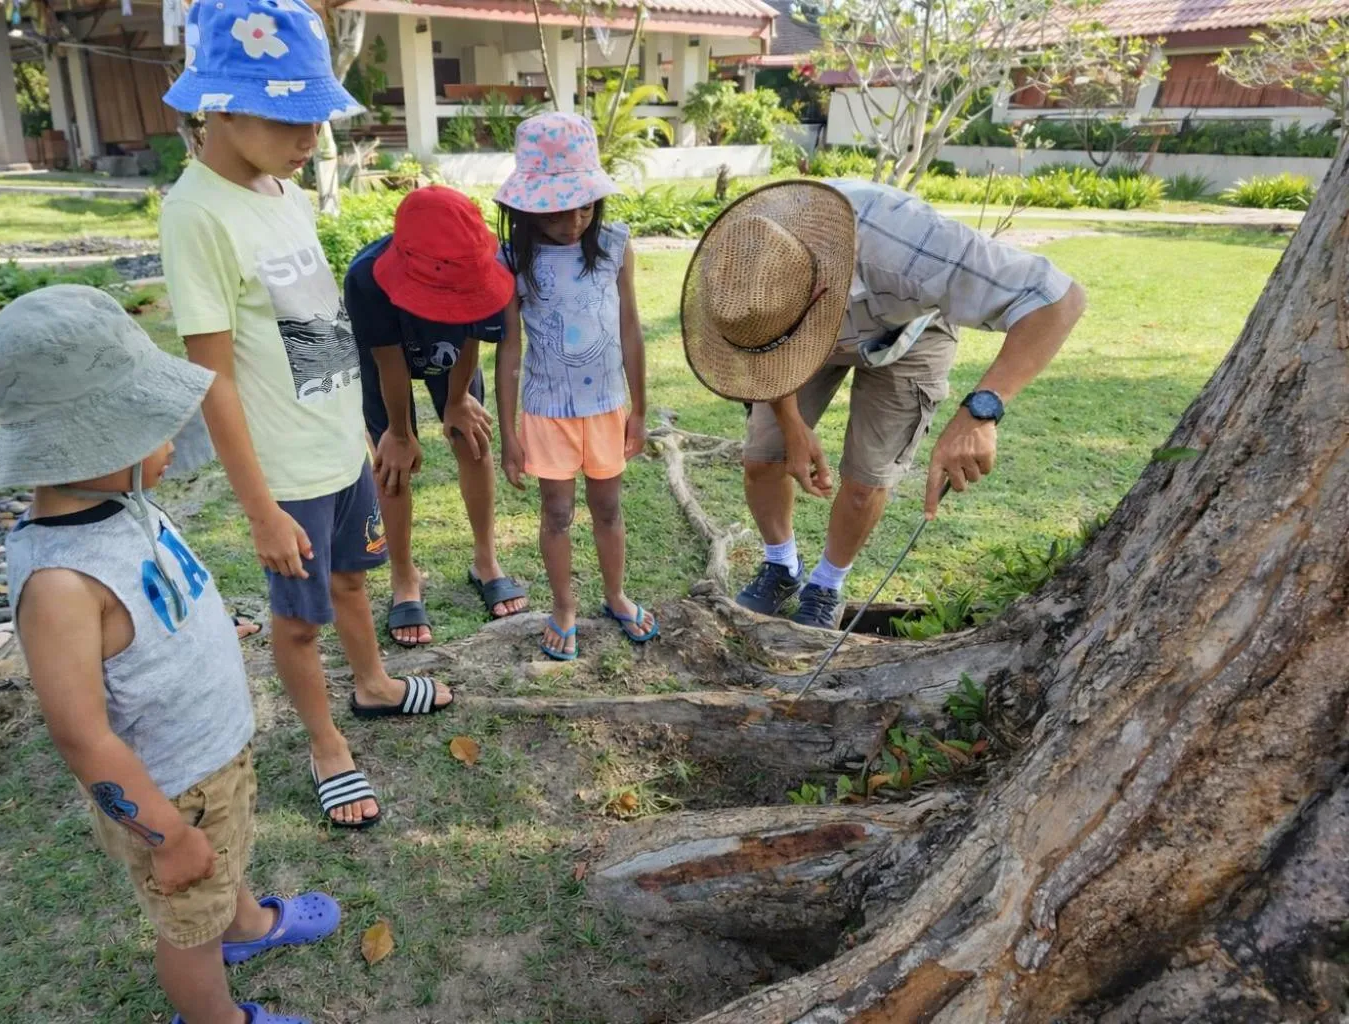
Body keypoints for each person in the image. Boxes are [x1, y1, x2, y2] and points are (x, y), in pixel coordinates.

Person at [0, 285, 340, 1024]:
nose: (171, 438)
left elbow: (151, 606)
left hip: (210, 762)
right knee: (186, 923)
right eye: (148, 425)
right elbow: (82, 734)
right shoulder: (59, 586)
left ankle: (245, 926)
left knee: (223, 861)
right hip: (170, 796)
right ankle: (215, 1016)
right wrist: (167, 836)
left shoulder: (119, 500)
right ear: (90, 446)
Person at [159, 0, 451, 831]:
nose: (310, 136)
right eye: (291, 114)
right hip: (284, 475)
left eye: (315, 116)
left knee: (355, 579)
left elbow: (317, 321)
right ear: (220, 104)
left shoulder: (280, 188)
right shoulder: (196, 215)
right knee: (296, 621)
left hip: (338, 446)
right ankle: (326, 744)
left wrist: (355, 427)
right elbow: (211, 380)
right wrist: (258, 509)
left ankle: (373, 686)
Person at [681, 179, 1087, 628]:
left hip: (910, 333)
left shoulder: (912, 251)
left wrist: (981, 411)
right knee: (764, 457)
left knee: (865, 480)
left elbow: (1058, 298)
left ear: (819, 291)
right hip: (797, 334)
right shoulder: (743, 269)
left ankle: (827, 585)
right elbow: (763, 351)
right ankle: (782, 567)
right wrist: (792, 421)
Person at [493, 113, 656, 660]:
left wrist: (639, 408)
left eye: (586, 205)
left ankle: (616, 594)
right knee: (557, 512)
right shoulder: (515, 259)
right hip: (547, 411)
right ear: (529, 207)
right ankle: (564, 606)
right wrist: (510, 433)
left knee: (609, 508)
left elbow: (630, 329)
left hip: (607, 406)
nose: (575, 221)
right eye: (561, 210)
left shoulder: (613, 245)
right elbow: (510, 347)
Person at [342, 187, 529, 647]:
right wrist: (401, 433)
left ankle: (486, 560)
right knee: (392, 465)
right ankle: (405, 577)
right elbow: (388, 361)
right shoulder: (367, 279)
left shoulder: (487, 268)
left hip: (453, 359)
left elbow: (472, 337)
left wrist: (458, 399)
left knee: (473, 439)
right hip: (388, 361)